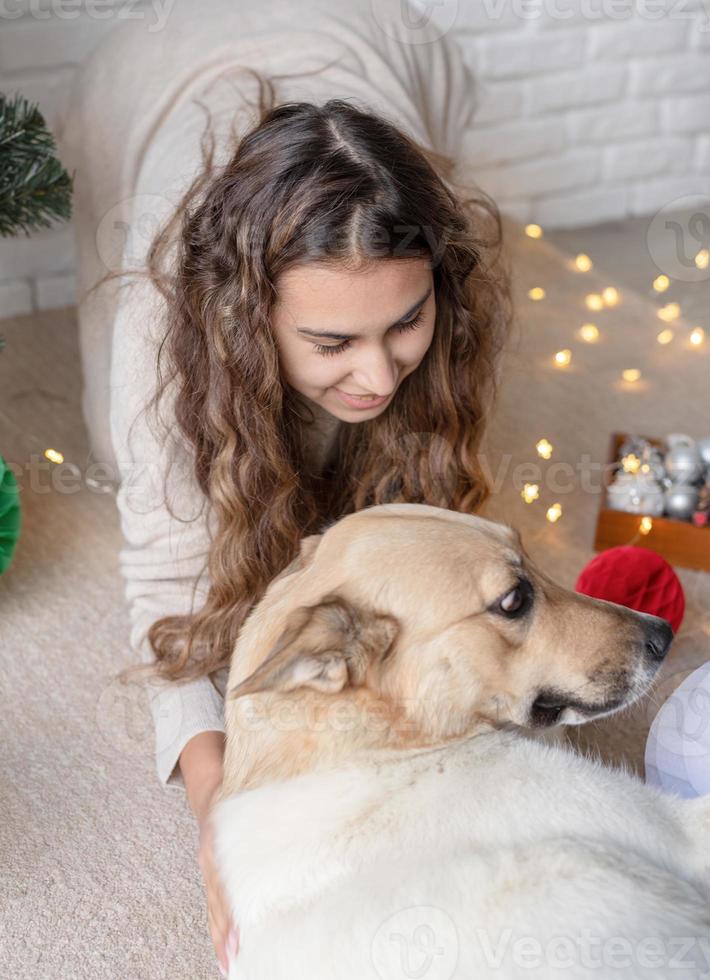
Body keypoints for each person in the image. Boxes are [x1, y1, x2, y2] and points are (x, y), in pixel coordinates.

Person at [96, 12, 514, 979]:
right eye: (331, 343)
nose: (379, 375)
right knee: (128, 451)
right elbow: (164, 590)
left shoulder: (440, 283)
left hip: (369, 31)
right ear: (247, 324)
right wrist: (220, 812)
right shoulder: (162, 330)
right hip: (154, 64)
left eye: (403, 323)